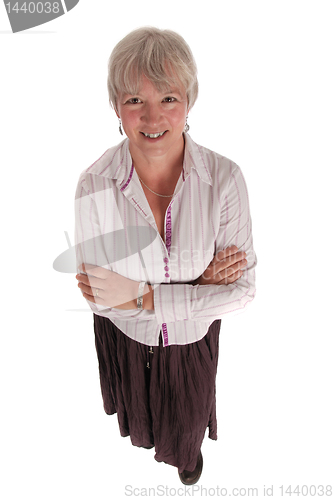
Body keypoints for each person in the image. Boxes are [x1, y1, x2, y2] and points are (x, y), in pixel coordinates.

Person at [74, 26, 257, 485]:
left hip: (191, 340)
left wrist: (142, 294)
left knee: (187, 424)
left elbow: (245, 291)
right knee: (141, 417)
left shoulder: (225, 179)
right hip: (126, 338)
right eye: (135, 99)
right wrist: (200, 286)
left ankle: (187, 459)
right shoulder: (94, 184)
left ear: (189, 102)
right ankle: (151, 439)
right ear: (117, 106)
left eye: (169, 98)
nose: (153, 116)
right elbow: (99, 298)